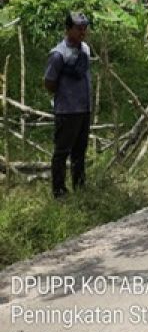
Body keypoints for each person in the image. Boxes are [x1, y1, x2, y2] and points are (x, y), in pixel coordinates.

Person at [44, 12, 94, 198]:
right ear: (68, 29)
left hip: (84, 108)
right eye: (78, 28)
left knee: (80, 150)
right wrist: (66, 94)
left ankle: (80, 186)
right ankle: (59, 191)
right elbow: (49, 82)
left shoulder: (85, 49)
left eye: (84, 28)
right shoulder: (58, 55)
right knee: (62, 151)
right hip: (67, 110)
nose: (83, 32)